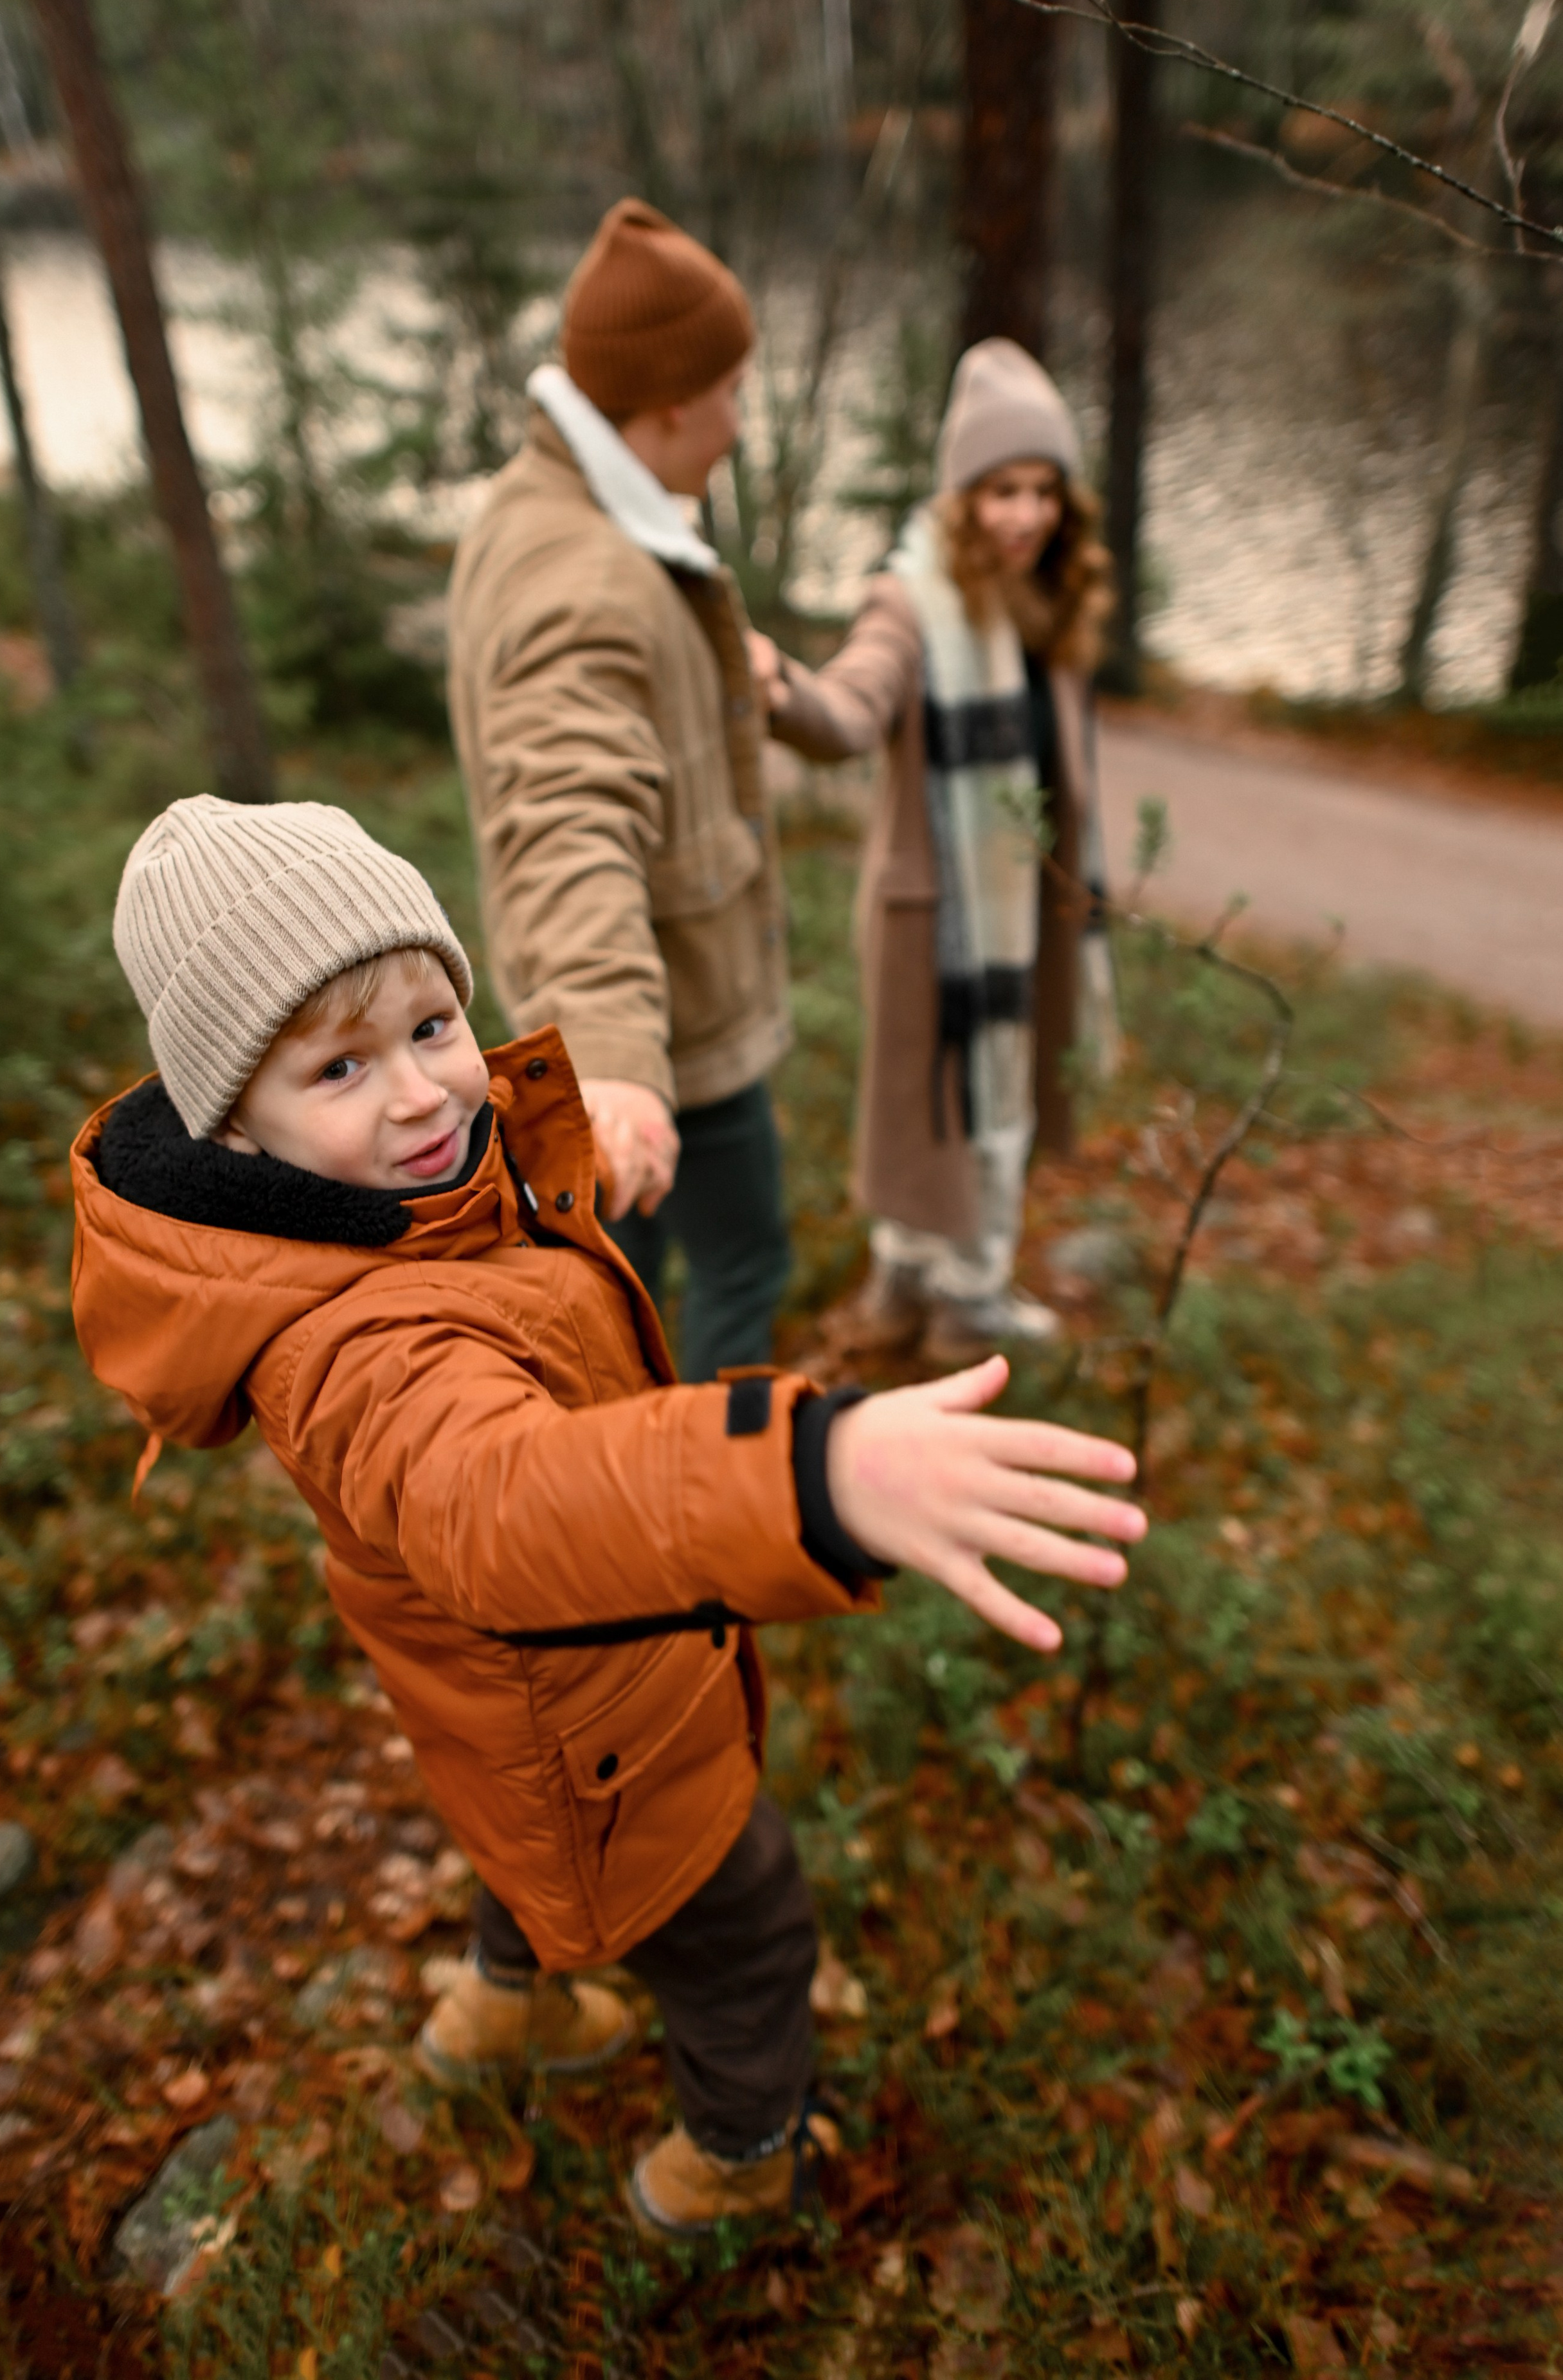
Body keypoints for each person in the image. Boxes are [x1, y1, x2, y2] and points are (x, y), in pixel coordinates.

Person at [70, 795, 1146, 2237]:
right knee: (746, 1926)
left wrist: (584, 1148)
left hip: (514, 1707)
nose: (423, 1095)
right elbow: (502, 1501)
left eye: (432, 1026)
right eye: (339, 1066)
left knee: (513, 1824)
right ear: (237, 1135)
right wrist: (810, 1475)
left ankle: (499, 2010)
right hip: (595, 1715)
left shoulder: (400, 1198)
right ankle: (736, 2160)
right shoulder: (352, 1348)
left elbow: (502, 1257)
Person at [447, 197, 821, 1381]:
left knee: (620, 1290)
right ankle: (714, 1482)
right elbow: (567, 817)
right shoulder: (590, 578)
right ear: (668, 403)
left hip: (625, 1026)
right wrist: (610, 1059)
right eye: (732, 391)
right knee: (735, 1268)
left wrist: (717, 672)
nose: (740, 423)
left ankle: (635, 1461)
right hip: (662, 1036)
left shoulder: (541, 504)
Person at [755, 339, 1117, 1369]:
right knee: (935, 1108)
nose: (1025, 515)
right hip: (941, 914)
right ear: (963, 497)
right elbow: (851, 706)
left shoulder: (1048, 604)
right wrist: (783, 690)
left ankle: (956, 1294)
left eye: (1043, 491)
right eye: (1003, 491)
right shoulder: (911, 602)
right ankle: (925, 1289)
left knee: (999, 1102)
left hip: (1027, 903)